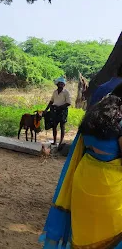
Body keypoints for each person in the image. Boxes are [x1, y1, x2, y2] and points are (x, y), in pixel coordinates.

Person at [39, 93, 122, 249]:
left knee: (83, 231)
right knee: (108, 233)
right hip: (108, 186)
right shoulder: (119, 125)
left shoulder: (90, 122)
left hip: (83, 179)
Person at [43, 77, 71, 146]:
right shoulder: (55, 92)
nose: (61, 85)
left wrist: (60, 107)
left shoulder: (66, 92)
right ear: (57, 84)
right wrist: (46, 109)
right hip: (55, 110)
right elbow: (51, 101)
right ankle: (55, 141)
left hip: (62, 110)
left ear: (64, 85)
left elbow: (68, 103)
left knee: (62, 126)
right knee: (54, 126)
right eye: (60, 84)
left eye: (62, 84)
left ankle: (61, 142)